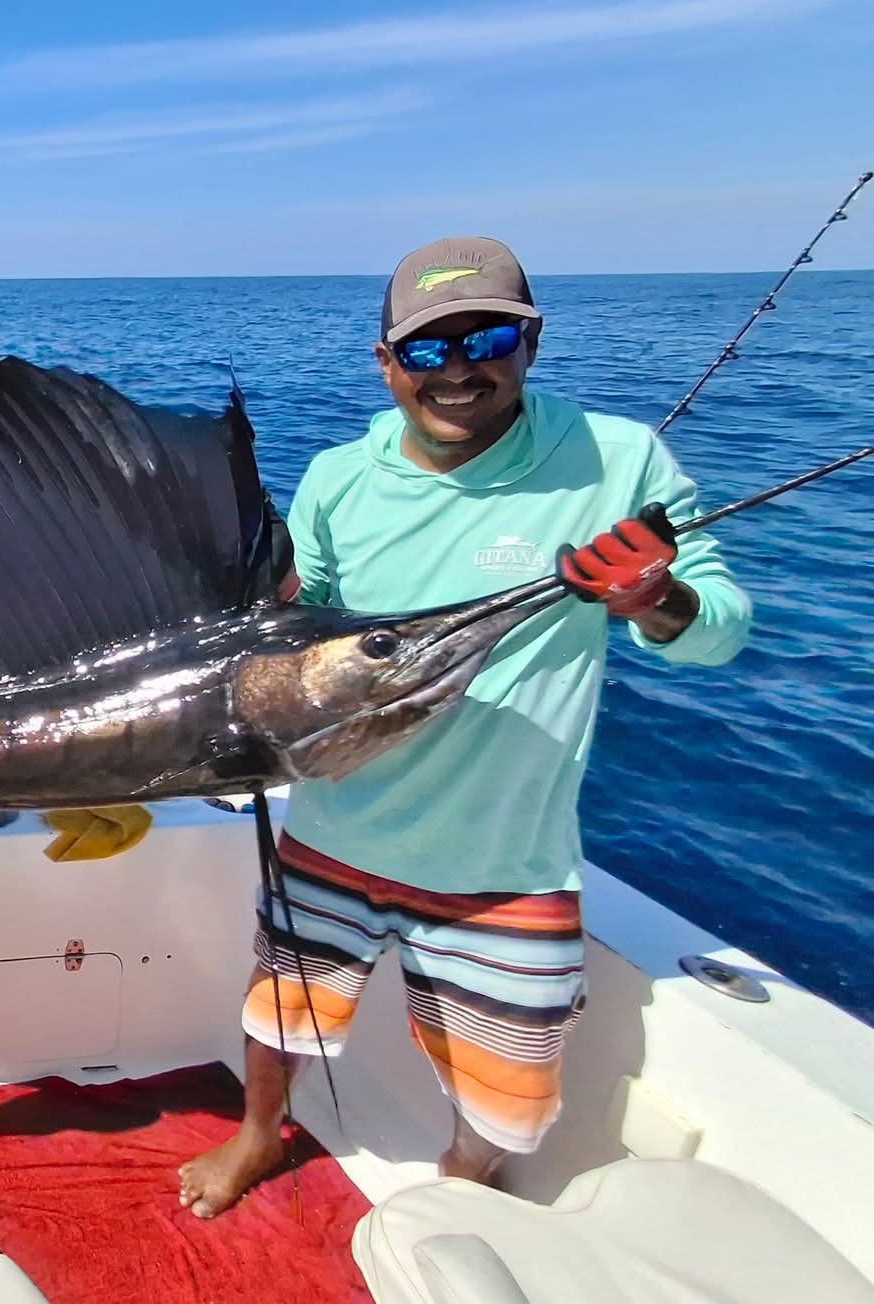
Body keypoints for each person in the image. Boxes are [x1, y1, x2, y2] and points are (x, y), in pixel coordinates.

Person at [177, 237, 753, 1215]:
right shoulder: (334, 478)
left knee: (509, 1101)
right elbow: (300, 617)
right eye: (425, 349)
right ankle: (255, 1137)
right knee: (276, 1014)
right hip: (330, 831)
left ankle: (461, 1192)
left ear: (527, 341)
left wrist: (656, 602)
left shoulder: (620, 461)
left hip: (506, 864)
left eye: (484, 338)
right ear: (385, 362)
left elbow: (719, 630)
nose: (456, 370)